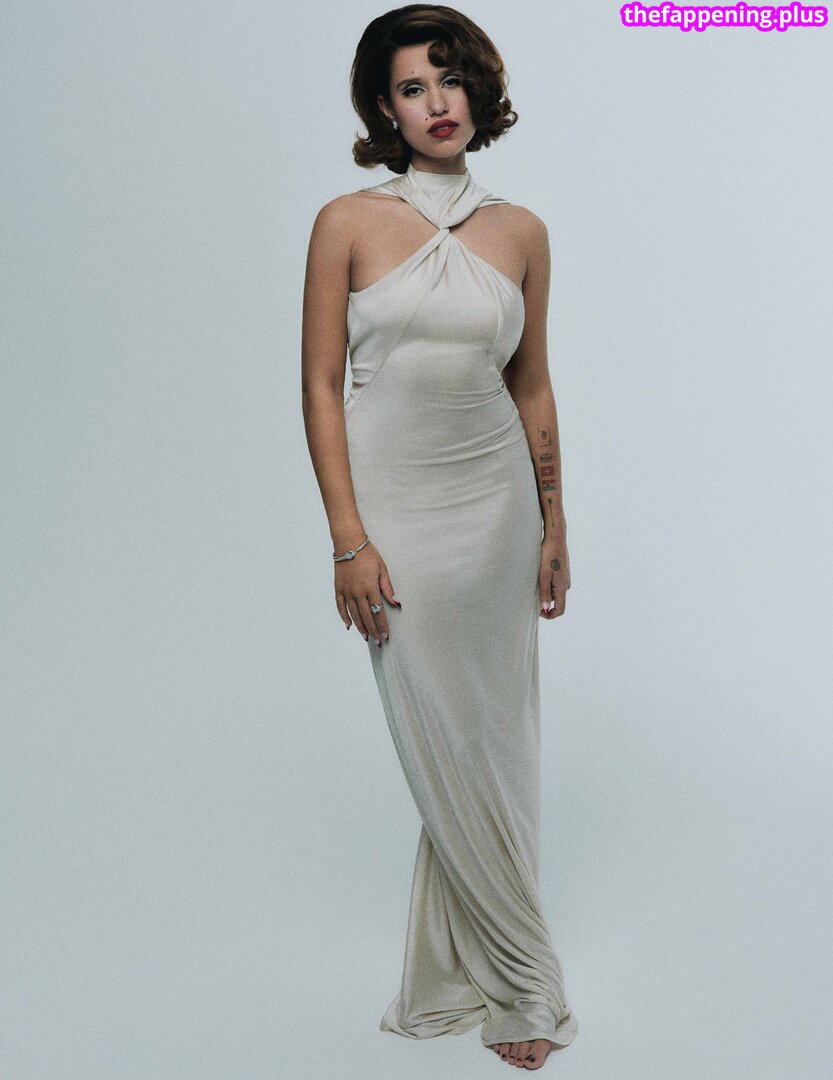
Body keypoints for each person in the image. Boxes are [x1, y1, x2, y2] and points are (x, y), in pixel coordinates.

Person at [301, 4, 578, 1071]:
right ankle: (524, 974)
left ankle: (491, 972)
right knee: (440, 738)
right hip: (396, 516)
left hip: (497, 510)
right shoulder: (346, 222)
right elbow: (319, 386)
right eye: (411, 87)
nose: (435, 103)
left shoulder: (522, 233)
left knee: (494, 741)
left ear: (479, 91)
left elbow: (532, 385)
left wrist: (554, 527)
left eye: (449, 79)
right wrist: (347, 540)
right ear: (384, 107)